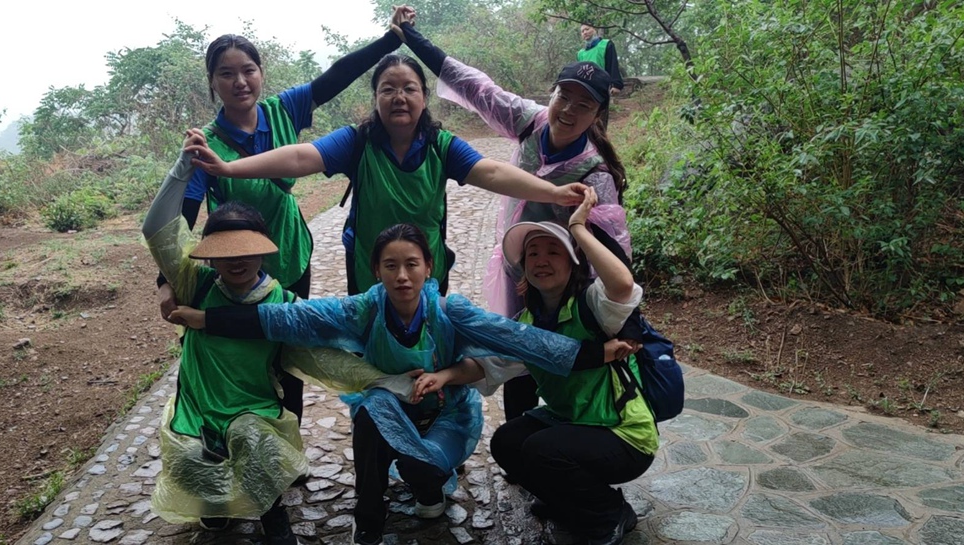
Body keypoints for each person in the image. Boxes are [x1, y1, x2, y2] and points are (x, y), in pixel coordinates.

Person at [169, 223, 634, 545]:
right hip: (391, 410)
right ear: (377, 270)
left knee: (423, 466)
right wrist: (207, 319)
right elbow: (287, 317)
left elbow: (520, 338)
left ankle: (430, 487)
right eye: (390, 265)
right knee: (372, 409)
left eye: (412, 264)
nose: (402, 276)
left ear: (429, 267)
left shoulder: (451, 311)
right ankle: (368, 518)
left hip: (446, 416)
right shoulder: (363, 309)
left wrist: (594, 354)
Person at [156, 10, 410, 423]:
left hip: (290, 254)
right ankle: (241, 433)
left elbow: (336, 76)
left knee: (290, 352)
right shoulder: (206, 143)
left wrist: (390, 40)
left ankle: (288, 438)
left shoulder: (284, 110)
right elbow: (181, 218)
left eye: (248, 70)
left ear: (261, 73)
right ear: (212, 82)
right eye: (226, 74)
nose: (240, 82)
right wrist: (166, 281)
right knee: (246, 355)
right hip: (237, 267)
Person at [184, 53, 588, 296]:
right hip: (369, 273)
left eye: (409, 88)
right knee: (372, 365)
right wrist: (228, 168)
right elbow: (300, 158)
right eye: (388, 89)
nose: (399, 97)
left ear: (424, 98)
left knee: (426, 361)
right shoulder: (357, 142)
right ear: (375, 98)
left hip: (427, 271)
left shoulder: (440, 145)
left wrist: (553, 193)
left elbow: (492, 172)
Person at [395, 18, 634, 418]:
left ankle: (567, 430)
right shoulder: (530, 121)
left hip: (562, 282)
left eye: (584, 105)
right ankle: (518, 433)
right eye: (564, 96)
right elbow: (475, 87)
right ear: (552, 94)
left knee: (558, 356)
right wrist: (414, 39)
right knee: (513, 350)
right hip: (517, 267)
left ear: (598, 114)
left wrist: (608, 316)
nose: (569, 110)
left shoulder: (595, 174)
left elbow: (613, 249)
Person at [414, 189, 655, 545]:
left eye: (554, 252)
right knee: (507, 443)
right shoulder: (527, 323)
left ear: (572, 262)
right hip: (571, 423)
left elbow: (622, 286)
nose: (542, 260)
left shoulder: (592, 305)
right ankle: (567, 501)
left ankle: (609, 512)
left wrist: (578, 227)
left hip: (624, 433)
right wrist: (443, 376)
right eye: (533, 253)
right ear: (524, 266)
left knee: (543, 450)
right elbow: (488, 365)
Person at [140, 137, 306, 541]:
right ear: (209, 255)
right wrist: (183, 167)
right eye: (226, 251)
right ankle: (214, 502)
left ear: (263, 250)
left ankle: (272, 513)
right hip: (197, 409)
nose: (237, 260)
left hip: (253, 409)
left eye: (245, 249)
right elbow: (156, 230)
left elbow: (326, 344)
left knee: (253, 441)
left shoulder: (283, 302)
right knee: (190, 456)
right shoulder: (195, 283)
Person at [577, 24, 624, 129]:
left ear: (594, 29)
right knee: (585, 121)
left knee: (600, 120)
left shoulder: (606, 44)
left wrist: (616, 84)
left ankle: (600, 138)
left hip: (601, 88)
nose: (585, 32)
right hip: (585, 90)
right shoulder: (581, 53)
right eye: (582, 31)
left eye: (587, 29)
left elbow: (612, 64)